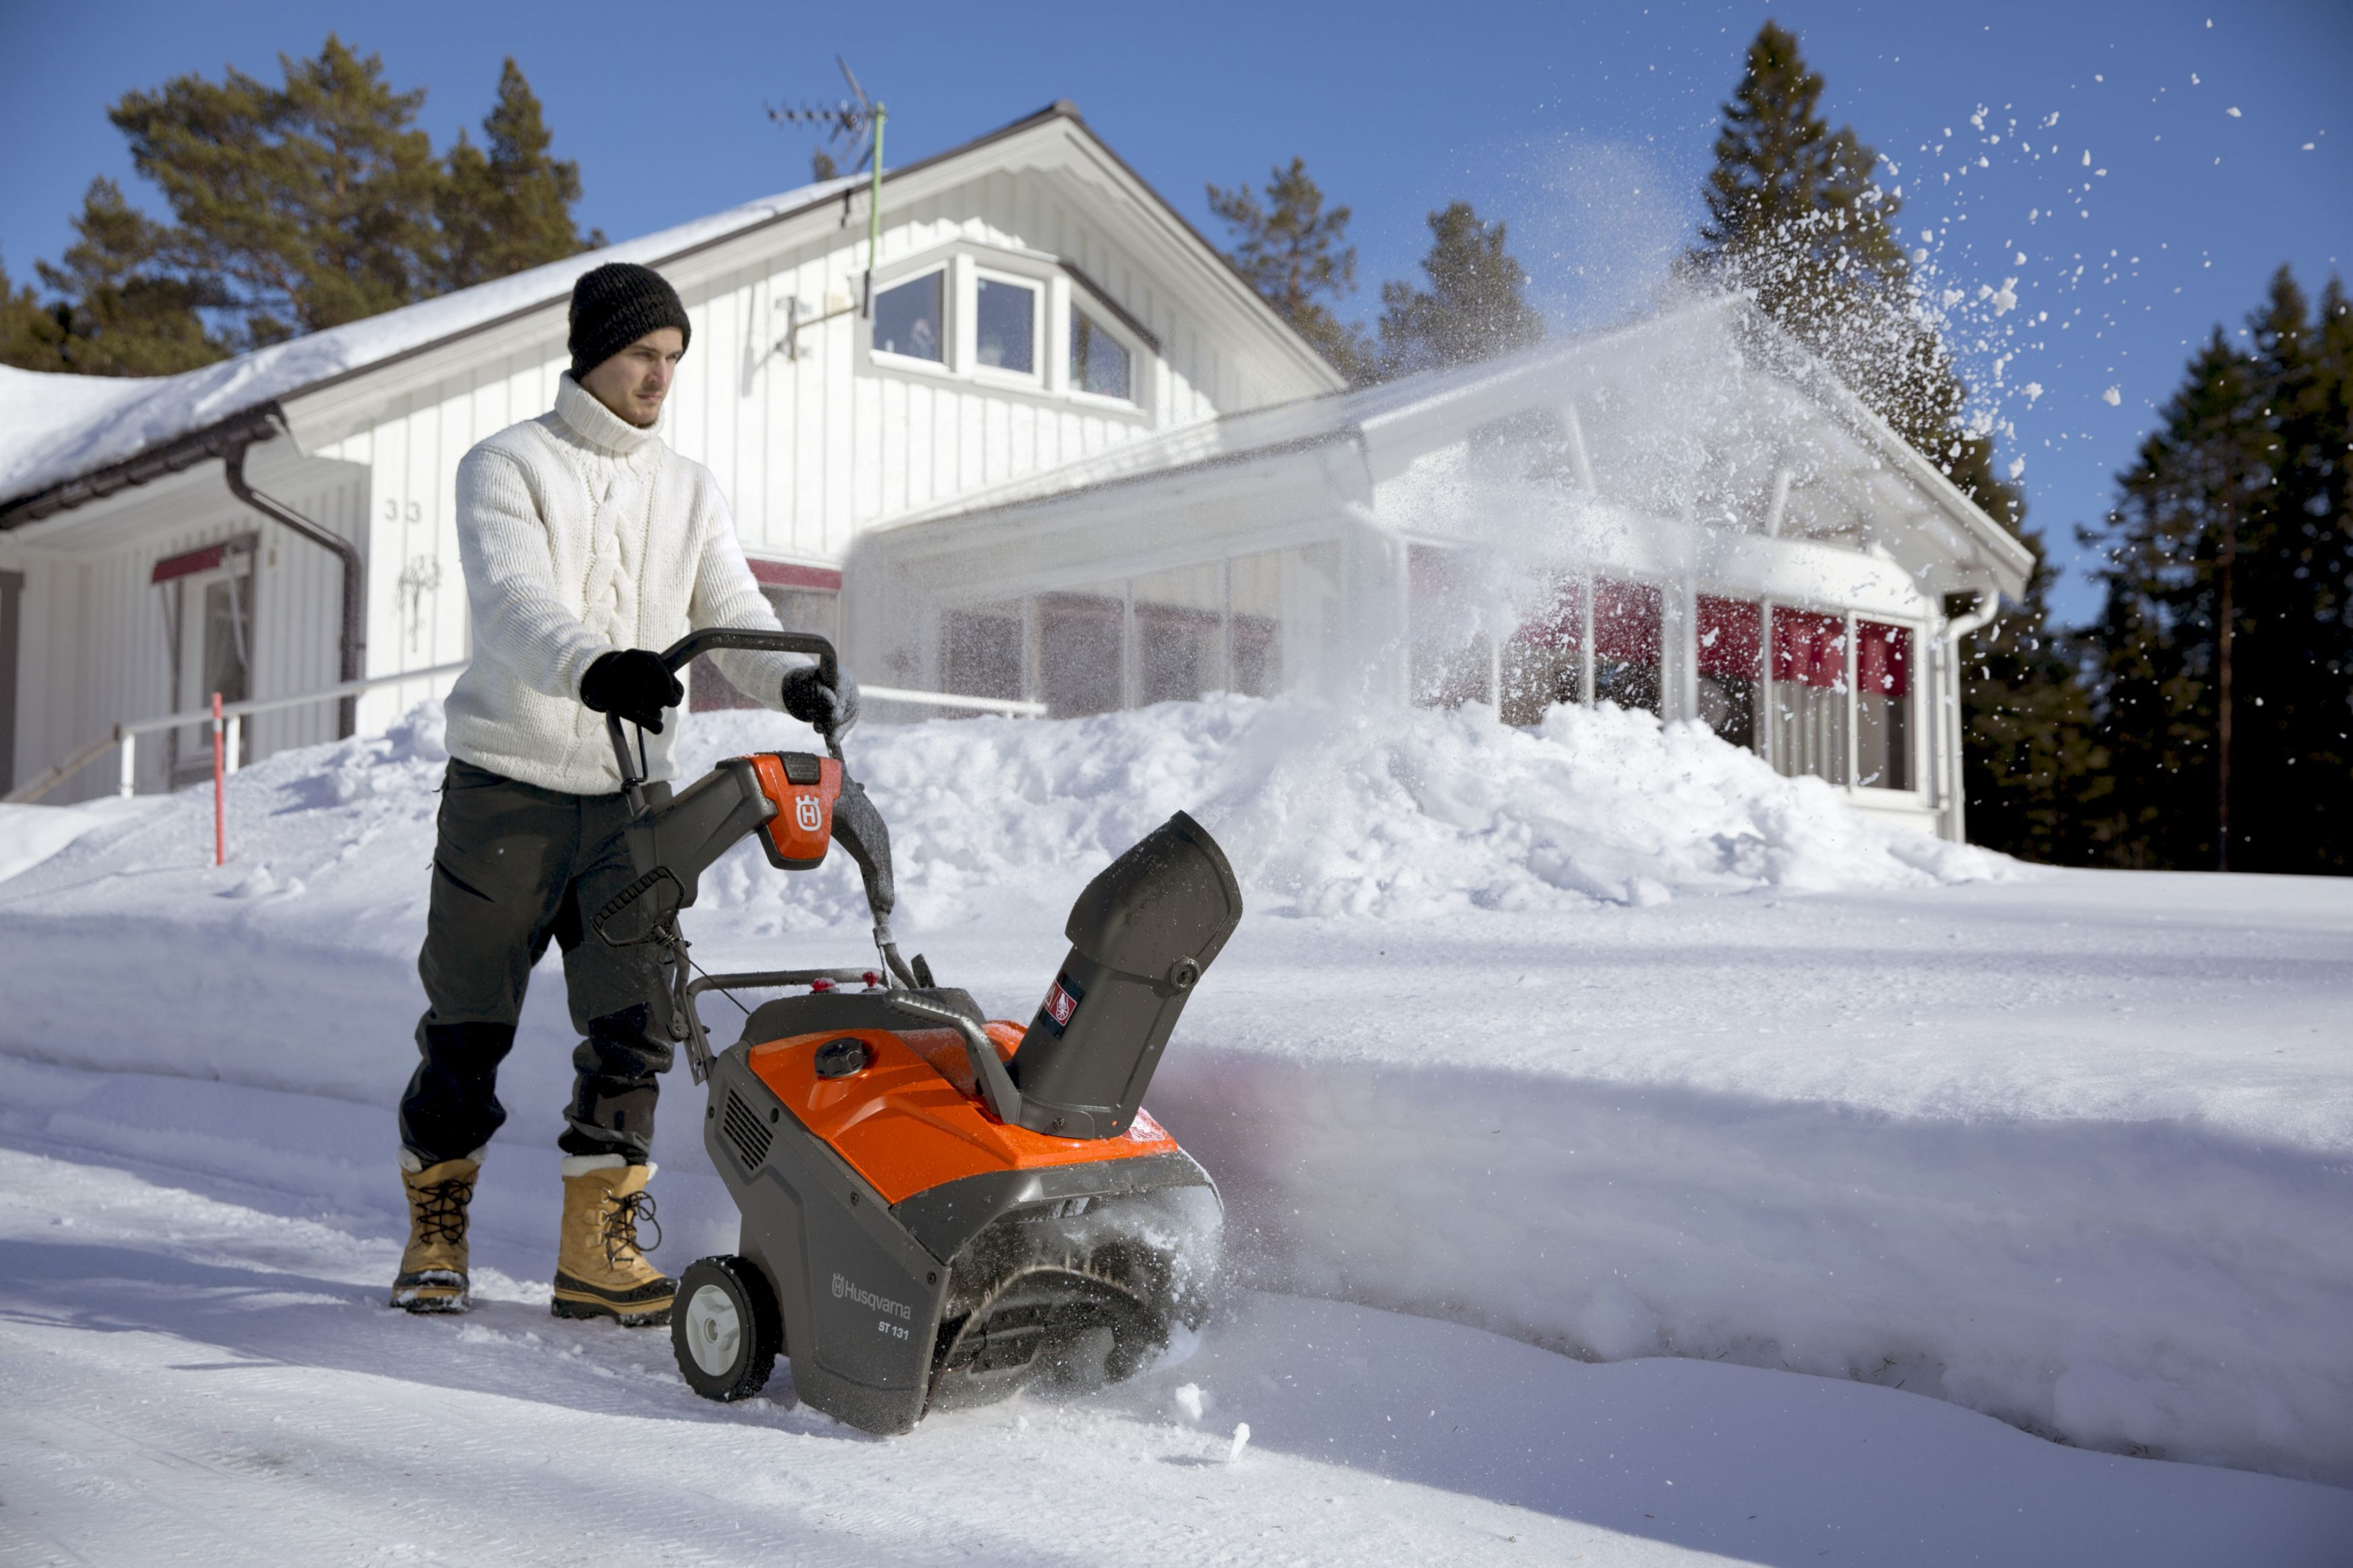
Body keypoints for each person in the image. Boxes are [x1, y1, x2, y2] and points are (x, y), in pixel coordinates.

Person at [390, 262, 855, 1324]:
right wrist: (597, 665)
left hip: (631, 803)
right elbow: (515, 603)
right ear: (592, 351)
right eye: (645, 354)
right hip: (507, 791)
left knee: (635, 1022)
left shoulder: (688, 487)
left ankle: (595, 1249)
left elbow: (731, 604)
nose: (661, 376)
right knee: (467, 1024)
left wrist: (797, 678)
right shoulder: (506, 464)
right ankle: (436, 1225)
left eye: (674, 359)